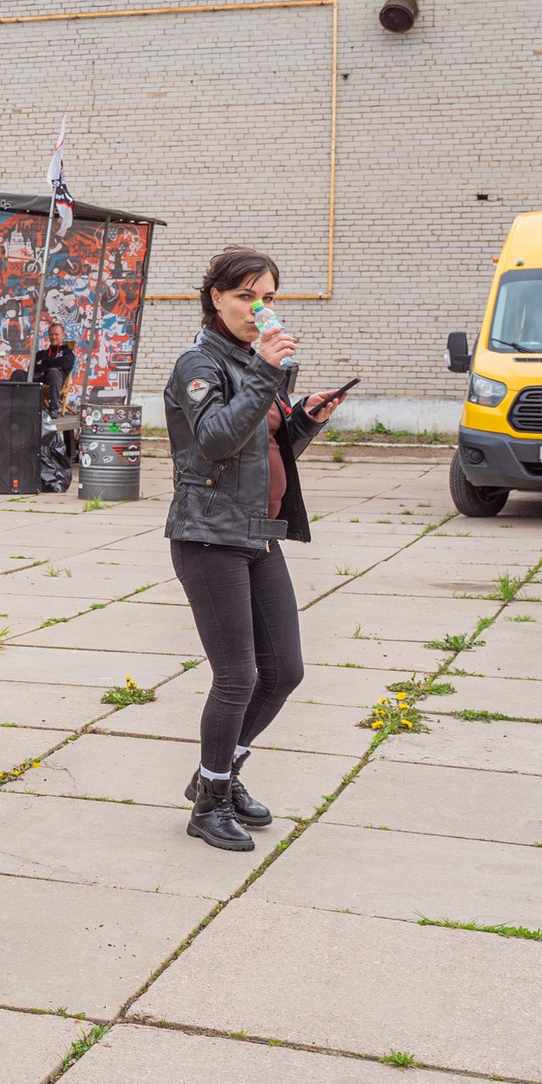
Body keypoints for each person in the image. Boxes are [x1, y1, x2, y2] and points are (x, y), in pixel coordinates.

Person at [165, 248, 348, 852]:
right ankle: (209, 803)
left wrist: (305, 422)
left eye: (266, 296)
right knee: (237, 677)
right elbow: (216, 440)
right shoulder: (199, 363)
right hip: (208, 536)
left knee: (284, 671)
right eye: (245, 296)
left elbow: (264, 448)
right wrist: (269, 374)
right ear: (216, 297)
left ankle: (219, 774)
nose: (258, 308)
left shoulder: (256, 362)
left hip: (259, 536)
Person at [35, 318, 76, 412]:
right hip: (39, 379)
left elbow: (65, 364)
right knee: (18, 373)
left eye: (56, 334)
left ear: (63, 336)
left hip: (54, 381)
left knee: (53, 372)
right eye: (51, 334)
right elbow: (32, 368)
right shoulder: (41, 353)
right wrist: (54, 363)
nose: (53, 337)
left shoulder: (68, 353)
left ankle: (53, 408)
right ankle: (14, 407)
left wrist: (44, 363)